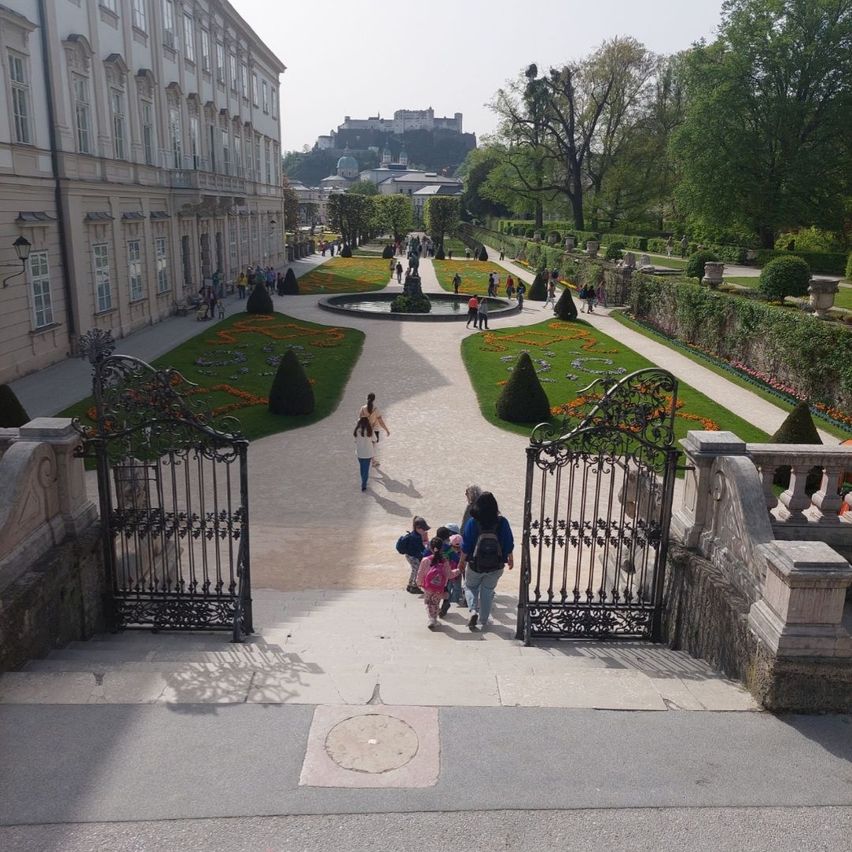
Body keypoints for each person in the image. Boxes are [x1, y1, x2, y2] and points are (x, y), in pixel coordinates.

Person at [458, 491, 514, 631]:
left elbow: (466, 545)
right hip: (496, 564)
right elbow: (508, 542)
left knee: (470, 587)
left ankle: (473, 610)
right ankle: (484, 620)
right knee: (487, 591)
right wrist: (510, 558)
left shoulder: (473, 522)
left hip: (475, 564)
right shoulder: (502, 522)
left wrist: (461, 561)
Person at [417, 536, 460, 629]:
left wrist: (419, 582)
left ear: (430, 548)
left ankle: (431, 619)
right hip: (439, 587)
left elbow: (420, 573)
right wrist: (458, 571)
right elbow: (449, 575)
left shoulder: (425, 560)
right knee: (435, 604)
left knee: (428, 603)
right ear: (442, 549)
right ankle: (434, 619)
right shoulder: (444, 561)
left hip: (427, 586)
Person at [358, 392, 389, 468]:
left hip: (365, 429)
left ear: (367, 398)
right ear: (374, 399)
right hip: (375, 429)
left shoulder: (362, 408)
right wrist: (386, 430)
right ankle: (373, 461)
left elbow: (360, 420)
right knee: (372, 446)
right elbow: (380, 421)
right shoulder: (376, 409)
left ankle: (371, 460)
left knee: (367, 444)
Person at [402, 516, 431, 594]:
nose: (424, 531)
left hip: (410, 555)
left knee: (414, 569)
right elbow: (419, 549)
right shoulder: (415, 537)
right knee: (417, 569)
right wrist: (424, 553)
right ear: (417, 528)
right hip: (412, 556)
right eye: (423, 529)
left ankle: (410, 585)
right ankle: (414, 586)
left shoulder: (415, 535)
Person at [353, 417, 374, 492]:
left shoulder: (356, 430)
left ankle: (363, 481)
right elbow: (374, 439)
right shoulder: (370, 430)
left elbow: (355, 441)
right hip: (368, 453)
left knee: (362, 468)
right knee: (366, 469)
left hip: (359, 453)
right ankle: (364, 484)